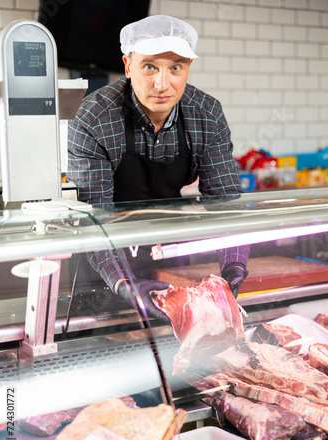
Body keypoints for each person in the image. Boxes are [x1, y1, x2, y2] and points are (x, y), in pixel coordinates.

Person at [67, 14, 249, 323]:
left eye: (175, 67)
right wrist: (127, 286)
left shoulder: (206, 115)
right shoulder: (95, 117)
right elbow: (93, 220)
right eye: (149, 66)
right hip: (106, 271)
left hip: (170, 258)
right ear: (128, 66)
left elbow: (226, 205)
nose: (162, 84)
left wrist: (234, 267)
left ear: (188, 67)